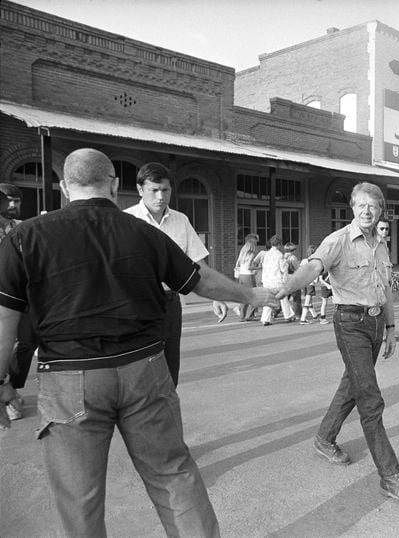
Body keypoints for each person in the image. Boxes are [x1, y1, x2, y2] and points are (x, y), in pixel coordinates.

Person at [0, 148, 271, 536]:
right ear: (114, 184)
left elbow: (3, 319)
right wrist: (251, 296)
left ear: (63, 187)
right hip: (143, 369)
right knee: (173, 475)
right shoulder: (144, 233)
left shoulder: (25, 238)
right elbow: (200, 279)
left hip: (69, 377)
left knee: (79, 499)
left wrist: (1, 382)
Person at [272, 181, 399, 502]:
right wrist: (287, 286)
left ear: (381, 210)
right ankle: (390, 476)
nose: (367, 211)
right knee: (370, 398)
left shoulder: (380, 245)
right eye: (361, 205)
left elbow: (385, 291)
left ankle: (324, 438)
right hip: (350, 323)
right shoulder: (338, 241)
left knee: (352, 385)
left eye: (373, 206)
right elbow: (312, 267)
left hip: (376, 323)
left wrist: (392, 328)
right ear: (352, 208)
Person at [124, 162, 226, 386]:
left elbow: (200, 263)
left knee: (170, 369)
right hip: (137, 306)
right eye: (154, 190)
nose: (160, 196)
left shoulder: (181, 220)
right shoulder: (126, 220)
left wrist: (215, 296)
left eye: (165, 190)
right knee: (139, 371)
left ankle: (166, 416)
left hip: (170, 303)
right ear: (141, 190)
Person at [0, 183, 38, 421]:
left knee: (26, 343)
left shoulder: (23, 228)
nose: (13, 205)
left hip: (19, 297)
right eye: (9, 200)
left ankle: (12, 389)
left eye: (17, 200)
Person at [254, 235, 296, 325]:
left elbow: (264, 268)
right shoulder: (279, 255)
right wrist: (285, 277)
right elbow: (283, 269)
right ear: (279, 244)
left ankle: (265, 319)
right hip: (277, 280)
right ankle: (288, 315)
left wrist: (263, 280)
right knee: (283, 298)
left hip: (267, 280)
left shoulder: (267, 254)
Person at [234, 233, 260, 321]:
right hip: (249, 276)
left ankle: (242, 316)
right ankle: (250, 315)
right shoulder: (251, 254)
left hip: (241, 276)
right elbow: (249, 267)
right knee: (254, 295)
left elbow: (237, 265)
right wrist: (260, 267)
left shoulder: (242, 254)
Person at [299, 244, 319, 325]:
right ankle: (303, 319)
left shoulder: (304, 261)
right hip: (311, 283)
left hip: (304, 283)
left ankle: (314, 314)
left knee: (309, 300)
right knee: (307, 301)